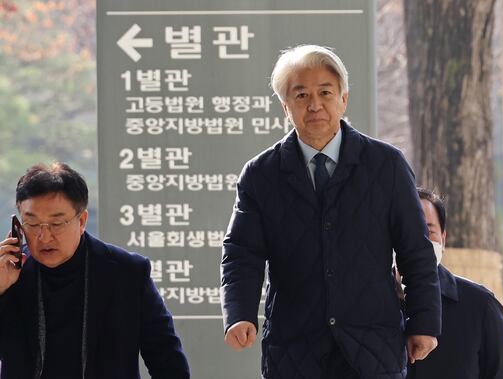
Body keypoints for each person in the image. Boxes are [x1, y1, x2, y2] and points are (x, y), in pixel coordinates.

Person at [220, 45, 441, 379]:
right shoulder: (260, 175)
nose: (314, 105)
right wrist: (239, 314)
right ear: (285, 106)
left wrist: (423, 322)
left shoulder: (386, 165)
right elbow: (241, 254)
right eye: (301, 95)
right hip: (294, 350)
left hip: (373, 348)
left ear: (343, 99)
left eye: (325, 92)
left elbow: (415, 250)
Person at [0, 163, 190, 379]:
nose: (44, 237)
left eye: (56, 223)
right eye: (32, 224)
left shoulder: (127, 272)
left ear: (82, 221)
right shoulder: (9, 273)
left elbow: (168, 361)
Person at [406, 187, 503, 379]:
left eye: (428, 231)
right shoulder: (368, 305)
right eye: (407, 231)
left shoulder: (480, 305)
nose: (418, 242)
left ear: (443, 239)